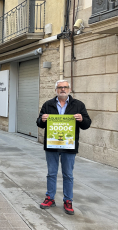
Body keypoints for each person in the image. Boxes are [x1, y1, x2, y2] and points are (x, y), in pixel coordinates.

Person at [36, 80, 91, 215]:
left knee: (68, 174)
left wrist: (82, 119)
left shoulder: (78, 105)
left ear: (69, 89)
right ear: (56, 90)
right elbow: (39, 122)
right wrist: (42, 119)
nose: (63, 89)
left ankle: (68, 200)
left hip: (69, 146)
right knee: (51, 173)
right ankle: (50, 198)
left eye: (65, 87)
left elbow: (87, 124)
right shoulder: (48, 104)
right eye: (60, 87)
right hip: (52, 145)